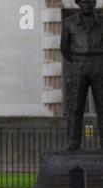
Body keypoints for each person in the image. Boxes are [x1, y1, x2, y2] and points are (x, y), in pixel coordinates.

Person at [61, 0, 103, 150]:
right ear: (78, 2)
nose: (88, 3)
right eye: (84, 0)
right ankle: (73, 142)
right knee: (75, 106)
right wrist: (78, 60)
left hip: (99, 63)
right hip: (78, 64)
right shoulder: (69, 22)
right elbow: (64, 48)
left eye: (91, 0)